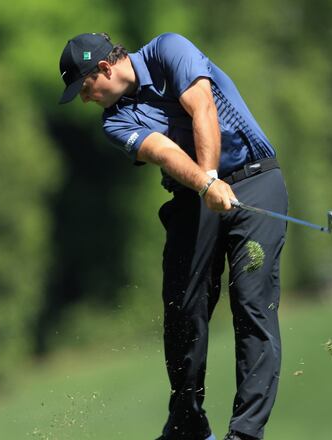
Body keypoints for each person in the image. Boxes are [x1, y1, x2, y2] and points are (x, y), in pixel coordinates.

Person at [58, 32, 287, 440]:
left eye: (84, 87)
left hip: (254, 182)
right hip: (195, 193)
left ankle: (245, 433)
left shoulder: (169, 50)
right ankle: (188, 425)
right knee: (183, 309)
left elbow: (202, 107)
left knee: (253, 306)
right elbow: (165, 151)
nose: (85, 98)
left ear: (105, 68)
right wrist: (205, 185)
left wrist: (212, 178)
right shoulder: (114, 121)